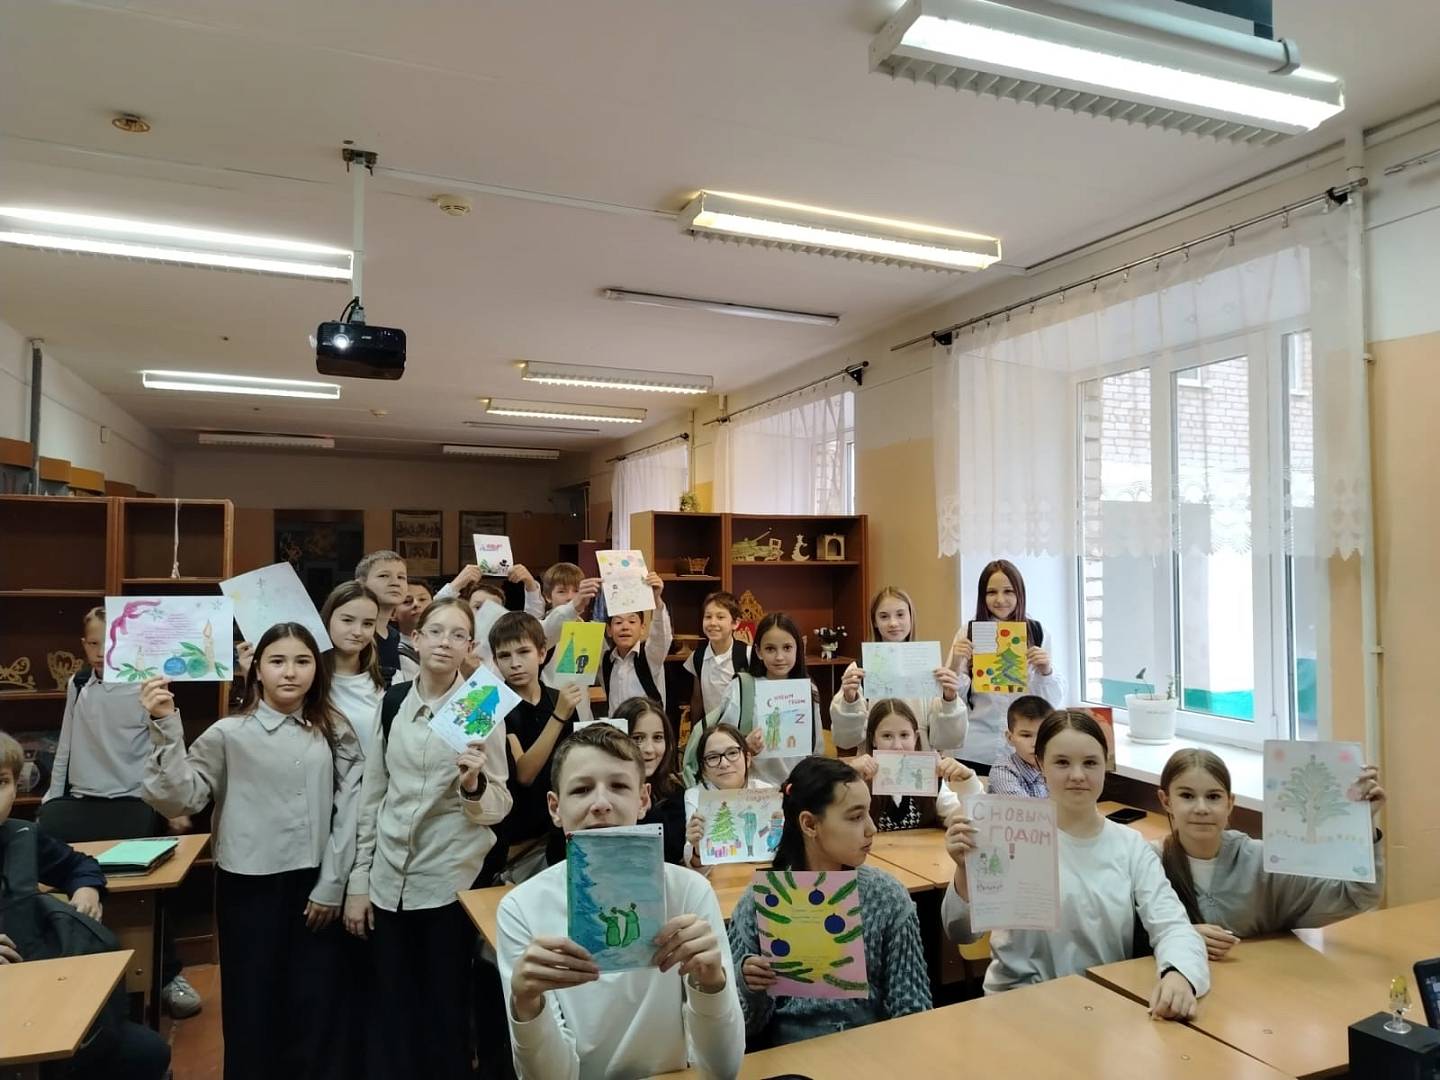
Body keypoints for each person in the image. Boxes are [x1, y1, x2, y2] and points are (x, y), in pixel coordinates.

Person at [142, 623, 363, 1078]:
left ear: (316, 670)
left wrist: (332, 883)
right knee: (252, 1004)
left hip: (317, 886)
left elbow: (351, 810)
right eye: (277, 661)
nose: (290, 672)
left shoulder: (333, 729)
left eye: (302, 662)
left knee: (317, 1004)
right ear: (257, 670)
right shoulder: (229, 733)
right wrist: (164, 724)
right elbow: (181, 799)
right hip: (249, 887)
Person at [496, 724, 744, 1079]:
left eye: (618, 786)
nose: (601, 804)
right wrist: (526, 1005)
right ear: (555, 807)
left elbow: (723, 1069)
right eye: (581, 789)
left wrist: (712, 983)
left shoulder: (689, 892)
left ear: (643, 800)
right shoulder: (521, 909)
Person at [941, 709, 1207, 1019]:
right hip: (1017, 1006)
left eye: (1090, 763)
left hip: (1102, 1004)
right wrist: (965, 871)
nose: (1078, 775)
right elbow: (961, 933)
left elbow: (1172, 925)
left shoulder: (1130, 846)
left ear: (1106, 765)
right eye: (1062, 762)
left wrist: (1179, 975)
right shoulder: (1008, 833)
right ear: (1041, 764)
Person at [344, 597, 511, 1080]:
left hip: (448, 881)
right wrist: (359, 881)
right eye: (435, 631)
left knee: (445, 1009)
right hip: (388, 879)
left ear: (469, 647)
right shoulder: (394, 701)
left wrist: (473, 786)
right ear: (415, 639)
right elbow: (374, 794)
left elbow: (499, 804)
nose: (444, 642)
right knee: (389, 1005)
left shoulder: (480, 702)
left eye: (457, 635)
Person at [39, 605, 202, 1019]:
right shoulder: (79, 683)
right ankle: (74, 974)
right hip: (81, 803)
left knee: (150, 897)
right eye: (93, 643)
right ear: (83, 645)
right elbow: (67, 743)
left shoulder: (146, 686)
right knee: (75, 889)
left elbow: (162, 743)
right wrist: (51, 799)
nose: (100, 652)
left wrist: (170, 805)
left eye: (108, 643)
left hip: (134, 804)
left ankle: (165, 975)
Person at [0, 732, 172, 1080]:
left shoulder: (21, 836)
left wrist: (86, 889)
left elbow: (78, 865)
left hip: (38, 986)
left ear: (15, 788)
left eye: (1, 782)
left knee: (146, 1052)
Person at [728, 756, 932, 1047]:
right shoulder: (761, 902)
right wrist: (751, 987)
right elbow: (739, 1029)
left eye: (869, 813)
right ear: (810, 824)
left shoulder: (887, 897)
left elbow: (914, 1010)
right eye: (855, 817)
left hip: (871, 1052)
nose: (871, 828)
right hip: (789, 1055)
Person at [1155, 748, 1386, 959]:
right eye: (1187, 796)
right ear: (1166, 801)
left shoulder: (1265, 862)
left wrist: (1361, 825)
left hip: (1257, 984)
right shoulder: (1149, 863)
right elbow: (1135, 935)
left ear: (1230, 803)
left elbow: (1356, 895)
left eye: (1214, 797)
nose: (1201, 808)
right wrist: (1179, 935)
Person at [490, 610, 585, 881]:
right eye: (504, 656)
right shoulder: (492, 704)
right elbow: (524, 773)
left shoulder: (558, 698)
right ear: (495, 661)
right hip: (516, 839)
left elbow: (576, 759)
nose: (515, 664)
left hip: (561, 830)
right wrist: (559, 715)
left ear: (542, 653)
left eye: (524, 652)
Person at [951, 560, 1065, 765]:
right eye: (991, 592)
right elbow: (952, 699)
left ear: (1020, 593)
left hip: (1022, 752)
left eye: (1008, 591)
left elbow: (1049, 703)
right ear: (982, 596)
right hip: (975, 748)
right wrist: (956, 664)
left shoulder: (1038, 633)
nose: (1000, 600)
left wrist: (1046, 671)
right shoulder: (968, 632)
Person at [832, 587, 969, 753]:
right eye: (884, 616)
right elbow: (845, 740)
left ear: (911, 617)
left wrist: (949, 699)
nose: (893, 623)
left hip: (921, 762)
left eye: (900, 614)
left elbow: (948, 740)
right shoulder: (859, 670)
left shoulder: (930, 668)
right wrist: (849, 701)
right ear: (874, 621)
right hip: (874, 764)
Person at [715, 612, 822, 787]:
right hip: (754, 790)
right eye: (770, 649)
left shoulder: (808, 689)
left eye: (787, 648)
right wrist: (744, 747)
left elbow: (816, 749)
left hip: (798, 789)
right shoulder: (741, 688)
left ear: (799, 648)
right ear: (758, 651)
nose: (779, 657)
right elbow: (719, 745)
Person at [846, 699, 981, 830]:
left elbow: (972, 821)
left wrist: (968, 780)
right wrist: (847, 776)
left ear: (915, 738)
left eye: (904, 735)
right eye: (887, 736)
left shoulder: (930, 779)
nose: (897, 746)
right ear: (873, 740)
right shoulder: (860, 780)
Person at [683, 724, 775, 871]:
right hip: (718, 880)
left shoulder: (766, 792)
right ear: (704, 769)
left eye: (732, 753)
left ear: (747, 759)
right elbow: (695, 870)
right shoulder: (696, 796)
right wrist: (697, 850)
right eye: (713, 757)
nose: (724, 764)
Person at [612, 696, 686, 864]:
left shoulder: (674, 792)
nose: (649, 749)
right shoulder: (600, 792)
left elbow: (672, 855)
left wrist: (649, 811)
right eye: (637, 738)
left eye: (658, 737)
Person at [320, 582, 386, 758]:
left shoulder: (391, 680)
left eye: (368, 624)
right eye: (347, 620)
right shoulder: (307, 682)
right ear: (328, 619)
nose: (357, 631)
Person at [601, 572, 671, 711]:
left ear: (642, 628)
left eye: (632, 621)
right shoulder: (606, 661)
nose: (625, 627)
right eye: (618, 622)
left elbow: (661, 636)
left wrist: (656, 600)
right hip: (616, 724)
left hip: (647, 723)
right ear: (609, 630)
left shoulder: (650, 656)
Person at [684, 591, 750, 722]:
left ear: (735, 623)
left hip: (742, 730)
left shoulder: (747, 655)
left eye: (720, 617)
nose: (713, 622)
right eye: (708, 617)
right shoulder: (697, 656)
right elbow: (697, 699)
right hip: (713, 730)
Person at [355, 549, 409, 684]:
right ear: (361, 583)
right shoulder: (353, 635)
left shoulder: (397, 637)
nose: (395, 583)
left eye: (401, 577)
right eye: (384, 576)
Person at [985, 695, 1051, 798]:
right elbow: (1025, 808)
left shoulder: (1056, 767)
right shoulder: (1003, 770)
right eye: (1026, 735)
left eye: (1043, 735)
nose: (1036, 743)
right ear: (1010, 738)